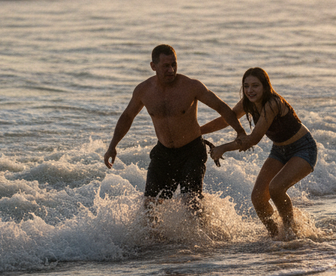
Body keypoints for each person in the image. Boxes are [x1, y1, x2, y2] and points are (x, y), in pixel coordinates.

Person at [103, 45, 246, 221]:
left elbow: (221, 107)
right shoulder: (143, 90)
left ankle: (204, 242)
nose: (171, 70)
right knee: (150, 206)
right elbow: (127, 117)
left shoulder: (192, 86)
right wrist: (112, 146)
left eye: (174, 64)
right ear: (153, 66)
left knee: (191, 203)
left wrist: (240, 131)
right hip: (163, 153)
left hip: (192, 151)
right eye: (165, 66)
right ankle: (157, 246)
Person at [200, 67, 318, 238]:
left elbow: (253, 139)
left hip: (303, 148)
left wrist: (223, 147)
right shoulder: (247, 103)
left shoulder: (273, 103)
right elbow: (227, 119)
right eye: (246, 86)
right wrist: (197, 131)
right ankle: (275, 236)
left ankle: (290, 232)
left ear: (265, 86)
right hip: (279, 150)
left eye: (255, 86)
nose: (250, 90)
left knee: (276, 188)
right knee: (258, 197)